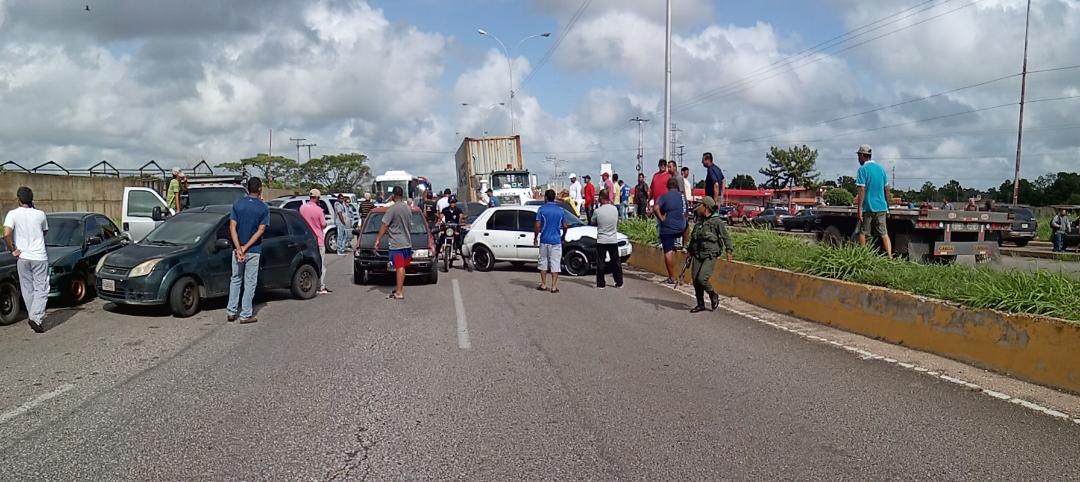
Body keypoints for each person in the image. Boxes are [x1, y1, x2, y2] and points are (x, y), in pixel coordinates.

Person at [3, 187, 49, 333]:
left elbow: (6, 234)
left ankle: (33, 316)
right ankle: (35, 318)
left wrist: (13, 249)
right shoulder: (40, 214)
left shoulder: (13, 214)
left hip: (22, 257)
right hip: (39, 256)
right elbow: (45, 231)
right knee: (41, 288)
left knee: (27, 288)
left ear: (18, 199)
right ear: (32, 199)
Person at [226, 177, 269, 324]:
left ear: (247, 188)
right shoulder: (263, 207)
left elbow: (232, 227)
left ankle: (231, 311)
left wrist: (239, 248)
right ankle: (245, 314)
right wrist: (246, 247)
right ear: (259, 189)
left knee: (236, 279)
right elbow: (261, 230)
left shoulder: (237, 204)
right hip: (254, 250)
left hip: (237, 250)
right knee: (250, 282)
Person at [688, 197, 733, 313]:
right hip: (698, 253)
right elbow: (694, 237)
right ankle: (700, 304)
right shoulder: (699, 220)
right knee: (695, 279)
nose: (698, 207)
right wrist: (689, 251)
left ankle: (713, 294)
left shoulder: (716, 221)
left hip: (710, 254)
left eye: (701, 205)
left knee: (702, 278)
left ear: (706, 207)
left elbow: (726, 237)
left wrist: (729, 251)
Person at [854, 144, 893, 258]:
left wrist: (859, 209)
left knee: (862, 232)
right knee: (884, 234)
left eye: (858, 156)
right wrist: (887, 205)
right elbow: (887, 189)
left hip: (868, 207)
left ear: (862, 155)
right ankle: (890, 257)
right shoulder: (881, 169)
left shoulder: (862, 169)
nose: (858, 159)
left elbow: (862, 189)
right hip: (881, 207)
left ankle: (864, 256)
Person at [374, 186, 412, 300]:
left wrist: (378, 239)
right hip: (407, 242)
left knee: (399, 266)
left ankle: (399, 292)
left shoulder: (392, 209)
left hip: (397, 244)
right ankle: (399, 287)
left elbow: (385, 224)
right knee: (402, 267)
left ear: (393, 195)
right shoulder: (407, 208)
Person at [534, 189, 569, 294]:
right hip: (556, 240)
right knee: (555, 263)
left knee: (543, 262)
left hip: (544, 240)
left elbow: (537, 225)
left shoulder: (541, 209)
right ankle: (554, 286)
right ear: (554, 198)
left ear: (545, 197)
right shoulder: (560, 211)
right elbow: (565, 226)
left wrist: (535, 237)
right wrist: (563, 235)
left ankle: (544, 284)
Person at [654, 177, 688, 284]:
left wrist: (661, 218)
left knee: (668, 252)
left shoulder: (664, 197)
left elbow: (655, 208)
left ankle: (672, 277)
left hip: (667, 229)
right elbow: (686, 213)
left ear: (667, 187)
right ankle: (685, 245)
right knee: (687, 227)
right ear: (677, 187)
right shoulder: (682, 197)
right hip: (681, 228)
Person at [300, 189, 331, 294]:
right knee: (321, 265)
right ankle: (321, 286)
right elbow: (323, 224)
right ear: (317, 198)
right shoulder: (319, 210)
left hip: (305, 240)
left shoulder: (302, 208)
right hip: (318, 240)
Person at [591, 189, 623, 289]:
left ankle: (601, 283)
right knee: (615, 261)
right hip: (613, 239)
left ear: (601, 198)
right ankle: (619, 282)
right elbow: (616, 222)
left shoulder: (597, 211)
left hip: (602, 240)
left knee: (601, 262)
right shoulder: (615, 209)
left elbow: (592, 222)